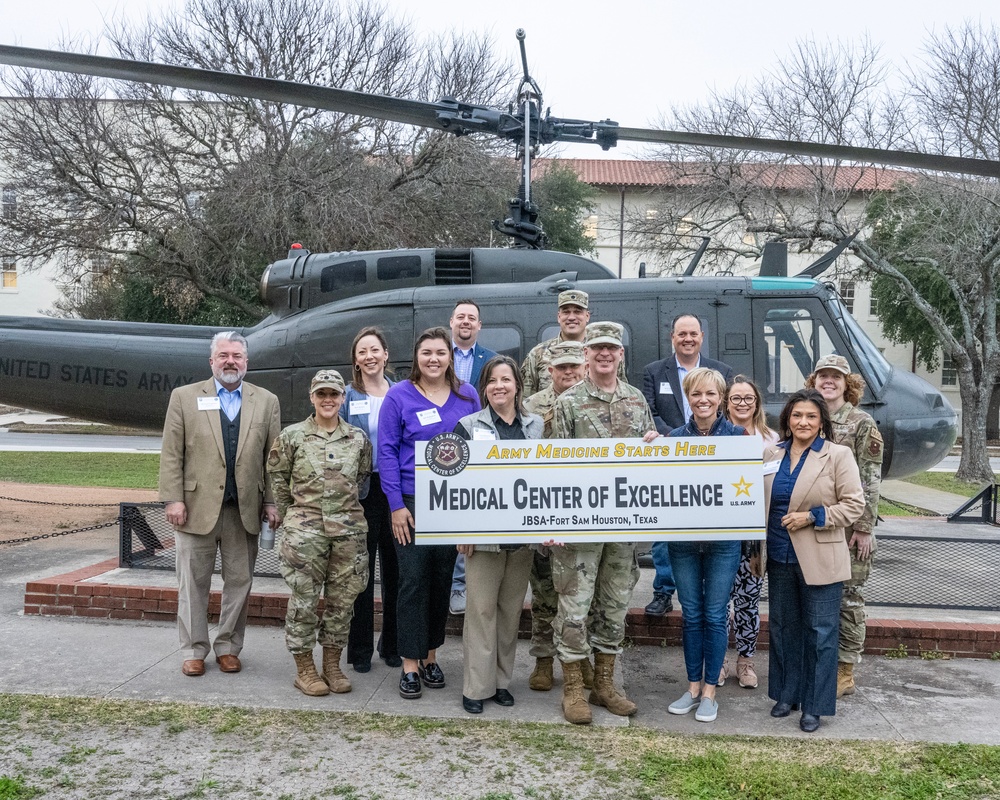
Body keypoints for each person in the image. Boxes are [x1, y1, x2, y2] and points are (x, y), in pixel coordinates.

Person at [550, 321, 659, 724]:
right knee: (575, 608)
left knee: (614, 605)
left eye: (611, 348)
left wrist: (655, 449)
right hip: (580, 524)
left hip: (621, 525)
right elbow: (555, 467)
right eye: (597, 348)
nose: (604, 354)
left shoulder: (635, 400)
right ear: (586, 354)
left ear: (621, 354)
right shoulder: (569, 403)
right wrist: (556, 522)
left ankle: (606, 685)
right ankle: (575, 688)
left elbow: (649, 463)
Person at [159, 331, 281, 677]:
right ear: (212, 361)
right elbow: (171, 453)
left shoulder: (266, 401)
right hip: (195, 509)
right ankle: (194, 649)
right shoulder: (184, 397)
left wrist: (271, 501)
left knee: (240, 582)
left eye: (237, 356)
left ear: (246, 362)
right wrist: (173, 498)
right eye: (224, 355)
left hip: (245, 510)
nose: (231, 361)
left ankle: (228, 647)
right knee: (192, 584)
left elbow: (272, 459)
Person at [379, 326, 481, 699]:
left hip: (451, 503)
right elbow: (386, 452)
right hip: (411, 501)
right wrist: (396, 506)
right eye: (427, 353)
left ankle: (431, 656)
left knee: (441, 580)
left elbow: (480, 449)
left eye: (441, 353)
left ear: (450, 357)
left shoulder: (467, 396)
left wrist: (470, 514)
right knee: (412, 581)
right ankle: (409, 663)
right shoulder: (398, 396)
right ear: (416, 358)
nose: (434, 359)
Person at [764, 388, 864, 733]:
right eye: (796, 415)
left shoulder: (838, 455)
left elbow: (854, 505)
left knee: (820, 633)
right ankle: (787, 694)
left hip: (821, 556)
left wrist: (813, 516)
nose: (803, 422)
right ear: (787, 420)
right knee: (782, 628)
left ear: (821, 421)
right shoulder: (771, 453)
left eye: (810, 416)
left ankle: (814, 705)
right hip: (778, 556)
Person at [267, 369, 371, 696]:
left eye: (334, 394)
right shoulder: (292, 436)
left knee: (342, 602)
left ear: (343, 398)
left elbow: (362, 475)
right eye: (322, 394)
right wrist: (293, 517)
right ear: (312, 397)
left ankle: (331, 664)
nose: (328, 400)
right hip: (304, 534)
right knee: (304, 601)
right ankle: (305, 669)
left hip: (348, 532)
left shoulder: (357, 438)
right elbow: (279, 480)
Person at [453, 355, 544, 714]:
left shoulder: (535, 425)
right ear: (484, 388)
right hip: (482, 538)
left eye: (506, 380)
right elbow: (456, 483)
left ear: (518, 385)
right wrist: (462, 530)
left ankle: (502, 682)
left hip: (521, 539)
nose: (499, 387)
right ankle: (476, 687)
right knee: (480, 612)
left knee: (509, 613)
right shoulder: (468, 425)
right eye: (492, 381)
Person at [663, 367, 744, 723]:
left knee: (714, 615)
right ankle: (692, 686)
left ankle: (711, 690)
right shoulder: (673, 438)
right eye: (696, 394)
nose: (703, 400)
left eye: (710, 394)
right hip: (683, 543)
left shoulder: (739, 438)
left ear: (721, 398)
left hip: (724, 543)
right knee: (691, 614)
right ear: (688, 397)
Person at [641, 314, 735, 618]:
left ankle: (706, 588)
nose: (688, 339)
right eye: (682, 333)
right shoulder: (654, 372)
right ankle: (663, 591)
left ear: (702, 337)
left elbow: (729, 412)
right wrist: (678, 440)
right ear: (673, 337)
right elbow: (650, 411)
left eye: (693, 333)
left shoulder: (722, 371)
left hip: (713, 461)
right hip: (670, 456)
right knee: (666, 526)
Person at [805, 354, 884, 698]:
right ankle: (820, 665)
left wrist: (865, 526)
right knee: (819, 597)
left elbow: (870, 477)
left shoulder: (861, 422)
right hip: (815, 524)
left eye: (835, 377)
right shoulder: (810, 417)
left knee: (849, 599)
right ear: (815, 380)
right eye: (823, 375)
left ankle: (845, 671)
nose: (829, 381)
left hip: (850, 529)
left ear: (846, 383)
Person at [522, 340, 588, 692]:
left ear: (585, 367)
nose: (568, 372)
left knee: (582, 594)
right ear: (549, 371)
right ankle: (544, 660)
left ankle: (581, 661)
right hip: (542, 508)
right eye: (561, 367)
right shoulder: (532, 406)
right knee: (544, 591)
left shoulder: (593, 401)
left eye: (574, 366)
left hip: (585, 511)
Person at [341, 326, 401, 673]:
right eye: (362, 351)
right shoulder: (347, 397)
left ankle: (392, 646)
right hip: (360, 494)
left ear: (385, 354)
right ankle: (360, 650)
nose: (369, 356)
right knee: (360, 577)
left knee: (395, 573)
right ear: (356, 360)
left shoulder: (401, 393)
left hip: (394, 492)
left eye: (374, 350)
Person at [720, 375, 778, 690]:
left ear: (756, 403)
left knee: (748, 601)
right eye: (736, 398)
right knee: (719, 600)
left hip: (755, 537)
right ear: (726, 402)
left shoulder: (772, 440)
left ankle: (745, 661)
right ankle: (720, 660)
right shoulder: (715, 436)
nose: (743, 403)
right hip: (721, 534)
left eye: (749, 398)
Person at [448, 299, 498, 616]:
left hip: (480, 445)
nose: (466, 322)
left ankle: (462, 586)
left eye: (472, 318)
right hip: (444, 443)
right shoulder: (438, 355)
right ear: (451, 322)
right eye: (461, 317)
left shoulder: (491, 360)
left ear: (479, 326)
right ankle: (451, 586)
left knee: (470, 515)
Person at [522, 289, 625, 396]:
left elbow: (621, 393)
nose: (571, 317)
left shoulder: (605, 355)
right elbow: (527, 398)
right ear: (559, 316)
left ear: (587, 316)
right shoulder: (538, 354)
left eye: (577, 311)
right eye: (566, 312)